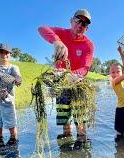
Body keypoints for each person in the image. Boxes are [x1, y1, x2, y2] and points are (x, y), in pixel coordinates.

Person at [38, 9, 94, 144]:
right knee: (64, 118)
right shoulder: (62, 33)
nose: (81, 25)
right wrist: (56, 41)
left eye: (85, 24)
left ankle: (82, 145)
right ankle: (66, 147)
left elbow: (85, 67)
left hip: (79, 85)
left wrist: (72, 75)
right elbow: (41, 28)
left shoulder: (88, 44)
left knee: (80, 120)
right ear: (71, 21)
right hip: (62, 85)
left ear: (87, 29)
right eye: (78, 20)